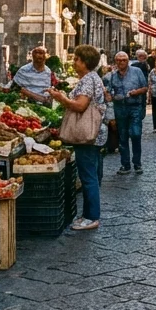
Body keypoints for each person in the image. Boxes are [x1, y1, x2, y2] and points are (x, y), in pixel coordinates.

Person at [47, 44, 107, 231]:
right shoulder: (93, 78)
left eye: (77, 60)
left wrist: (60, 98)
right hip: (95, 135)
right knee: (92, 175)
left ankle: (92, 217)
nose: (74, 63)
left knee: (88, 176)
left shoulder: (88, 80)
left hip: (87, 135)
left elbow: (80, 106)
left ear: (85, 62)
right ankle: (88, 214)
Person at [104, 51, 148, 174]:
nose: (122, 62)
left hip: (135, 107)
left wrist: (136, 92)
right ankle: (125, 165)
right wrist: (111, 96)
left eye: (124, 60)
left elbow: (145, 88)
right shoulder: (112, 75)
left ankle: (137, 163)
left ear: (128, 61)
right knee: (122, 137)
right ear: (116, 62)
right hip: (120, 108)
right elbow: (109, 90)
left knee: (136, 134)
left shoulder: (137, 72)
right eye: (119, 60)